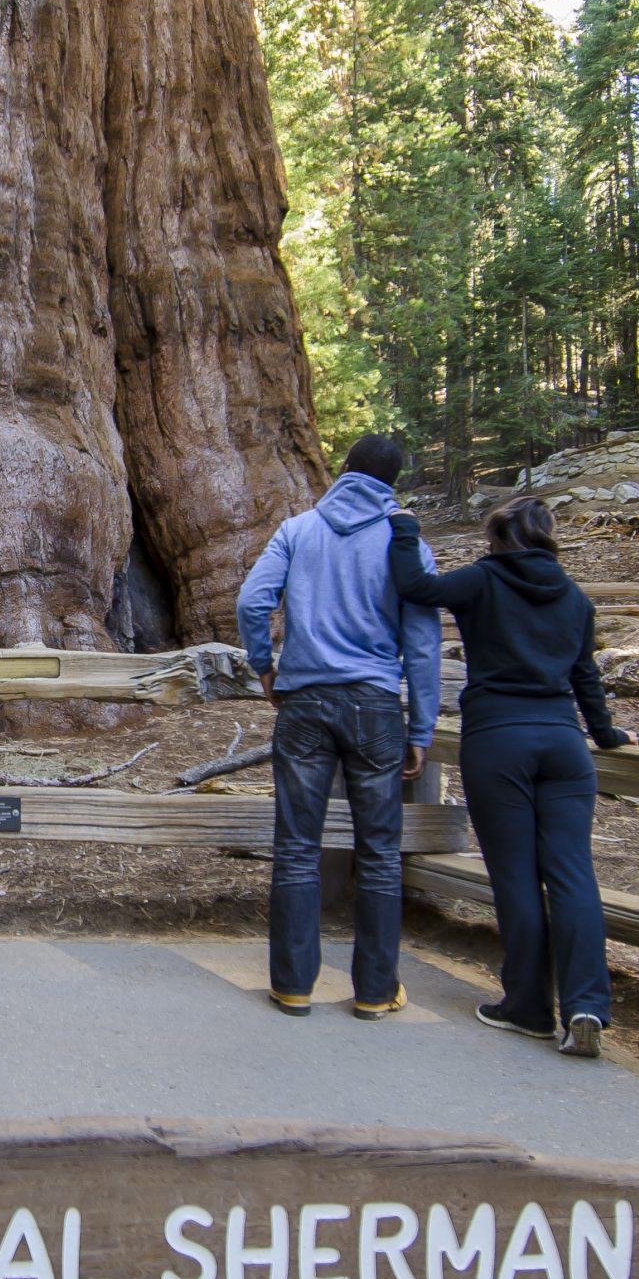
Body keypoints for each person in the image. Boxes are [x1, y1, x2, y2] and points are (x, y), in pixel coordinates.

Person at [388, 495, 631, 1059]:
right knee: (574, 876)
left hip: (499, 740)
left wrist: (405, 529)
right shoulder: (575, 599)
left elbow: (415, 587)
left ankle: (527, 1007)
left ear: (497, 538)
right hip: (565, 745)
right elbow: (585, 677)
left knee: (517, 877)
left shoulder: (481, 581)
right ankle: (587, 1004)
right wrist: (609, 735)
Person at [236, 435, 443, 1022]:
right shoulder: (407, 544)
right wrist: (421, 727)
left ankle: (293, 986)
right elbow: (423, 645)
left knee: (296, 847)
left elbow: (253, 600)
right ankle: (376, 992)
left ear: (344, 470)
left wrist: (265, 667)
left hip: (303, 702)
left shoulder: (298, 531)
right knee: (379, 854)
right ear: (392, 486)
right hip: (376, 706)